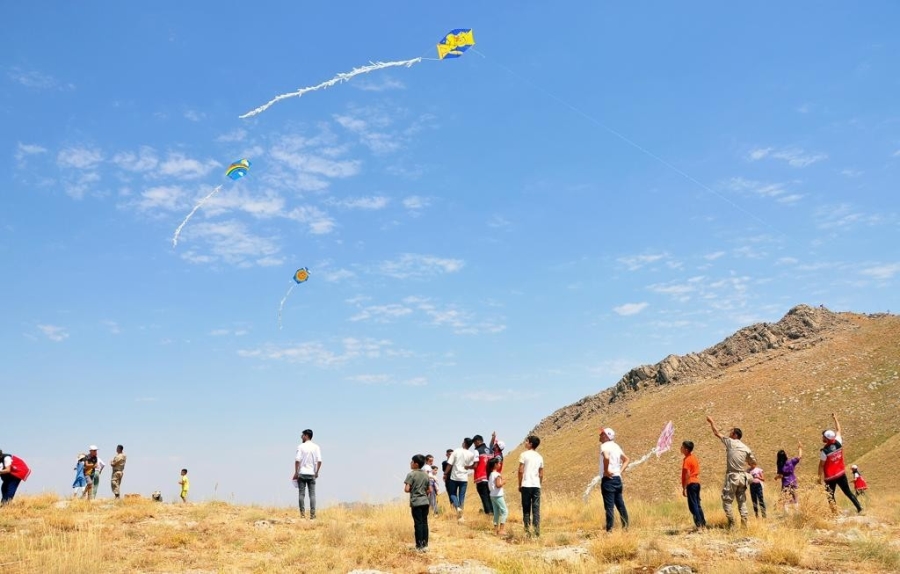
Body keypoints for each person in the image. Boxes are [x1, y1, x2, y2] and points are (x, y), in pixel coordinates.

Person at [707, 416, 756, 529]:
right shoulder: (746, 448)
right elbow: (753, 463)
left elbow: (716, 433)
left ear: (735, 435)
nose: (729, 433)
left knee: (727, 501)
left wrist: (712, 422)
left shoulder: (730, 442)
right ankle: (744, 525)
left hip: (732, 476)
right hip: (742, 477)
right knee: (742, 501)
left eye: (731, 432)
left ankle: (732, 524)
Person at [818, 413, 862, 514]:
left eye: (823, 437)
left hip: (830, 477)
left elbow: (821, 465)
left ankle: (834, 513)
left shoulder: (824, 451)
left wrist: (819, 478)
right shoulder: (838, 442)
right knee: (848, 492)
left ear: (826, 439)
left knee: (830, 495)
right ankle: (859, 507)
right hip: (841, 474)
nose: (822, 438)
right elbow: (838, 430)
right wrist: (835, 419)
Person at [599, 427, 630, 532]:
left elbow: (606, 457)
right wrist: (620, 471)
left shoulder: (604, 445)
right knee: (620, 504)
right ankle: (625, 527)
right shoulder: (616, 446)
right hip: (617, 478)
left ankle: (609, 531)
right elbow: (626, 459)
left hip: (608, 480)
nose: (600, 435)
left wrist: (607, 471)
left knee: (609, 506)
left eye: (602, 434)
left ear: (606, 436)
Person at [403, 454, 431, 552]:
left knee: (418, 524)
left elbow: (406, 489)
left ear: (416, 464)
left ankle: (419, 546)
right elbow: (430, 490)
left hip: (416, 502)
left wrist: (413, 490)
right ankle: (425, 544)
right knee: (424, 523)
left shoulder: (411, 474)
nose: (410, 463)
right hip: (425, 502)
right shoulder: (426, 475)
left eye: (412, 462)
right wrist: (423, 492)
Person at [293, 429, 323, 519]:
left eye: (302, 435)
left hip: (302, 473)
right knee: (312, 495)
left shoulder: (301, 446)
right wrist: (317, 472)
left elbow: (297, 460)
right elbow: (320, 460)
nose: (301, 437)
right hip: (311, 474)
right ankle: (312, 515)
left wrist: (296, 472)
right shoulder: (316, 447)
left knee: (301, 494)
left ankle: (302, 515)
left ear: (306, 436)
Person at [517, 435, 544, 537]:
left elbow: (520, 470)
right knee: (536, 508)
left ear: (530, 444)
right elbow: (541, 473)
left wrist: (519, 484)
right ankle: (537, 531)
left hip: (526, 484)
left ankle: (527, 530)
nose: (525, 443)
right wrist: (539, 484)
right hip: (536, 485)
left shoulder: (524, 455)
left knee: (526, 508)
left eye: (527, 441)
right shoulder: (540, 456)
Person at [444, 438, 476, 522]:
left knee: (452, 494)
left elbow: (450, 464)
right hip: (464, 478)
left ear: (464, 443)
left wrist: (445, 474)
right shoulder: (471, 454)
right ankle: (461, 516)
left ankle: (458, 507)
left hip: (454, 477)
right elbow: (474, 465)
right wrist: (468, 467)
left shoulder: (457, 451)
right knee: (462, 496)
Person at [680, 440, 706, 529]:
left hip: (691, 483)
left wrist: (684, 487)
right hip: (697, 483)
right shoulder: (693, 458)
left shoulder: (687, 460)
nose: (681, 448)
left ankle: (699, 525)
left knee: (693, 506)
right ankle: (703, 523)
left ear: (686, 450)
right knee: (697, 504)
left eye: (682, 447)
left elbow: (687, 474)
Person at [774, 441, 803, 512]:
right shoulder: (791, 462)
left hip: (785, 483)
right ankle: (797, 510)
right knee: (795, 497)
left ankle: (786, 512)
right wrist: (800, 448)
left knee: (785, 498)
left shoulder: (780, 465)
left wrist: (776, 477)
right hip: (793, 481)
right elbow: (799, 456)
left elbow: (780, 475)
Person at [472, 434, 494, 515]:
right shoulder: (491, 451)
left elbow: (475, 465)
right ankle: (494, 513)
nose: (474, 444)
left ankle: (489, 514)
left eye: (474, 442)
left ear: (478, 441)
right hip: (490, 478)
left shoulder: (477, 451)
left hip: (481, 478)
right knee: (490, 497)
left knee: (484, 497)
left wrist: (467, 467)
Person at [487, 457, 508, 536]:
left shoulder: (491, 474)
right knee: (504, 511)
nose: (500, 464)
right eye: (499, 463)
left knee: (496, 513)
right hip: (498, 495)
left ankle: (495, 530)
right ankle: (502, 530)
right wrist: (503, 482)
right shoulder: (497, 474)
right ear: (495, 465)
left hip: (492, 495)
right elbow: (498, 485)